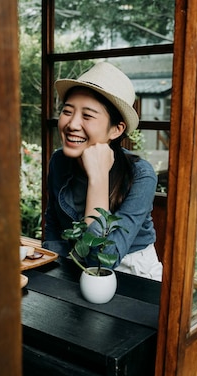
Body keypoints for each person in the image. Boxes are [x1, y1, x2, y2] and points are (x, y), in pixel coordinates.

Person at [42, 62, 163, 281]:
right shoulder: (59, 161)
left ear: (116, 129)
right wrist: (53, 272)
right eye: (67, 111)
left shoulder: (141, 175)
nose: (72, 124)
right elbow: (53, 224)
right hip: (75, 266)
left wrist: (98, 178)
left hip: (134, 275)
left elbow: (101, 260)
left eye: (87, 116)